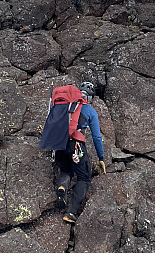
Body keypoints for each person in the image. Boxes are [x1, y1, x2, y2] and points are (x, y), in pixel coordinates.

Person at [38, 81, 106, 224]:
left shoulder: (64, 107)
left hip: (59, 144)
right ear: (90, 98)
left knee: (66, 169)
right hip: (76, 145)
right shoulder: (89, 110)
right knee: (84, 177)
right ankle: (70, 212)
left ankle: (62, 187)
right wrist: (101, 157)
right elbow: (96, 137)